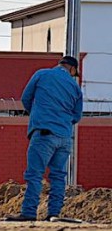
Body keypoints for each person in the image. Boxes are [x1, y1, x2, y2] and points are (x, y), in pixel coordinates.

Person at [7, 56, 83, 221]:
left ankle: (29, 212)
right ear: (72, 69)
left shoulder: (41, 74)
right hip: (64, 136)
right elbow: (77, 116)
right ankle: (53, 214)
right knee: (58, 176)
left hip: (43, 133)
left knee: (34, 175)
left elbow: (26, 98)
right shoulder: (75, 87)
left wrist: (37, 114)